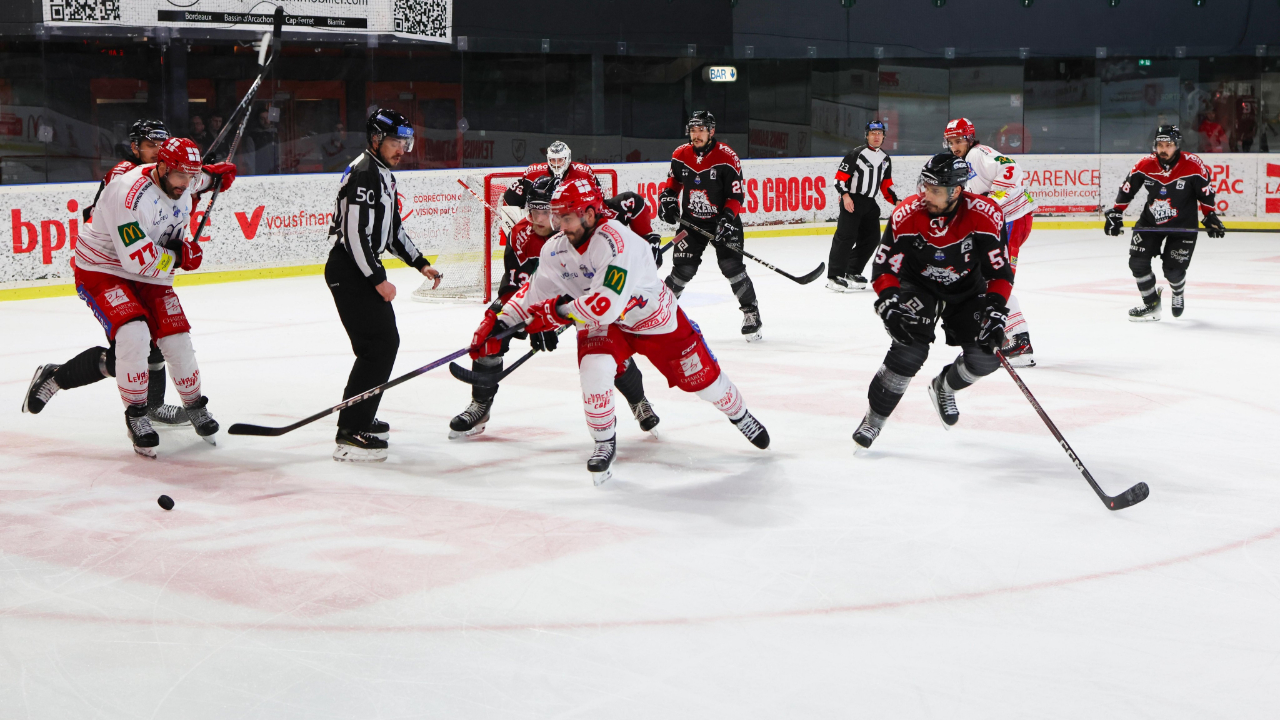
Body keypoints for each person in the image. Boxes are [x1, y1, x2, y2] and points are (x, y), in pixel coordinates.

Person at [472, 178, 770, 485]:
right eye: (556, 216)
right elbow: (532, 295)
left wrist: (555, 313)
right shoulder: (555, 249)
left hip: (653, 320)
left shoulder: (616, 242)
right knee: (594, 367)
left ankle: (740, 415)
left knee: (704, 384)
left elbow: (607, 305)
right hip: (607, 324)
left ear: (589, 214)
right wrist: (498, 322)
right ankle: (604, 441)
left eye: (567, 217)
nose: (559, 224)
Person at [25, 138, 235, 457]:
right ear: (162, 167)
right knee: (133, 335)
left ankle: (195, 405)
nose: (186, 184)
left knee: (176, 338)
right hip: (103, 268)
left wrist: (213, 178)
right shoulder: (129, 193)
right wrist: (180, 257)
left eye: (190, 178)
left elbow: (199, 177)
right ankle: (136, 415)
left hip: (151, 272)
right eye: (181, 176)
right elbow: (137, 260)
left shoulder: (183, 178)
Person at [450, 181, 665, 439]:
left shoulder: (588, 229)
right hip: (544, 297)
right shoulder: (520, 234)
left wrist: (648, 238)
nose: (539, 220)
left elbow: (632, 203)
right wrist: (507, 322)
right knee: (493, 332)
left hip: (590, 298)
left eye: (547, 212)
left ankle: (638, 401)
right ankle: (480, 405)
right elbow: (516, 287)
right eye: (533, 212)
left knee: (609, 350)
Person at [23, 119, 189, 426]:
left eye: (162, 145)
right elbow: (107, 222)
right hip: (115, 274)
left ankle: (153, 406)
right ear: (135, 147)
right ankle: (57, 376)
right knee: (126, 354)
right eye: (151, 145)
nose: (158, 151)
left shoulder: (159, 177)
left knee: (155, 345)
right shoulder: (124, 175)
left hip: (141, 273)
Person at [851, 153, 1013, 450]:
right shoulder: (907, 213)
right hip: (918, 284)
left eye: (935, 190)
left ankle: (944, 387)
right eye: (924, 185)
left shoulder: (985, 214)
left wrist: (995, 311)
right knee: (908, 349)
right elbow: (884, 267)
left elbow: (1001, 273)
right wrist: (888, 300)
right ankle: (873, 420)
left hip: (966, 287)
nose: (925, 194)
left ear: (957, 191)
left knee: (987, 358)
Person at [325, 109, 443, 462]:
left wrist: (420, 262)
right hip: (351, 271)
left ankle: (360, 416)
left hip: (358, 269)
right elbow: (354, 235)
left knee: (381, 344)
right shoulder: (365, 174)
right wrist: (378, 280)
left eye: (405, 141)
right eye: (396, 141)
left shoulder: (382, 174)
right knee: (378, 345)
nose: (402, 148)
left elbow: (391, 231)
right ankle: (350, 430)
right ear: (375, 139)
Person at [656, 111, 762, 341]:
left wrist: (726, 219)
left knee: (732, 267)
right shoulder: (680, 154)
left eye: (701, 129)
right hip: (691, 222)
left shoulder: (727, 156)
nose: (696, 135)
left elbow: (736, 196)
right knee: (682, 269)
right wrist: (667, 199)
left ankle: (751, 313)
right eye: (693, 130)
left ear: (711, 131)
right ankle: (658, 312)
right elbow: (673, 182)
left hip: (724, 221)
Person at [1103, 125, 1223, 321]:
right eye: (1160, 145)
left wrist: (1209, 215)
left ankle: (1177, 291)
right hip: (1151, 222)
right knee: (1137, 262)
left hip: (1183, 225)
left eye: (1168, 145)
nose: (1163, 149)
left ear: (1177, 146)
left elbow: (1206, 193)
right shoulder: (1145, 164)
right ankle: (1151, 305)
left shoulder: (1193, 165)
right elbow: (1127, 189)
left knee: (1173, 271)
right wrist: (1116, 212)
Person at [944, 117, 1038, 368]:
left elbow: (1011, 169)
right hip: (1005, 222)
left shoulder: (979, 153)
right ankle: (1013, 336)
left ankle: (1019, 341)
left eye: (959, 140)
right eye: (951, 141)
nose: (955, 146)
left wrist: (993, 201)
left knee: (996, 279)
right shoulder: (964, 162)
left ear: (970, 137)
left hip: (1012, 220)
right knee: (987, 279)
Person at [828, 120, 898, 293]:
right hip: (852, 201)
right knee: (845, 237)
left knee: (872, 239)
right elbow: (839, 179)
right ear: (867, 135)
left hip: (870, 204)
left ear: (883, 137)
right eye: (873, 133)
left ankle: (853, 270)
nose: (876, 136)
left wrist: (897, 202)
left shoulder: (885, 159)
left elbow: (886, 186)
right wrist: (845, 196)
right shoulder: (856, 154)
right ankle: (834, 275)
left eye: (879, 133)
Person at [502, 140, 601, 208]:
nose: (557, 164)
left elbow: (599, 199)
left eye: (560, 160)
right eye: (553, 160)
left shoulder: (584, 173)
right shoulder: (533, 173)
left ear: (568, 158)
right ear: (548, 159)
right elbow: (511, 199)